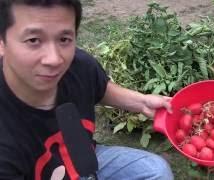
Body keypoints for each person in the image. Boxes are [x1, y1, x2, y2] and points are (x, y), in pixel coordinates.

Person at [0, 0, 174, 179]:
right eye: (33, 40)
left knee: (156, 171)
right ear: (2, 42)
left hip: (85, 159)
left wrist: (142, 102)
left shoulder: (79, 65)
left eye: (64, 39)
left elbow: (99, 88)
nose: (54, 59)